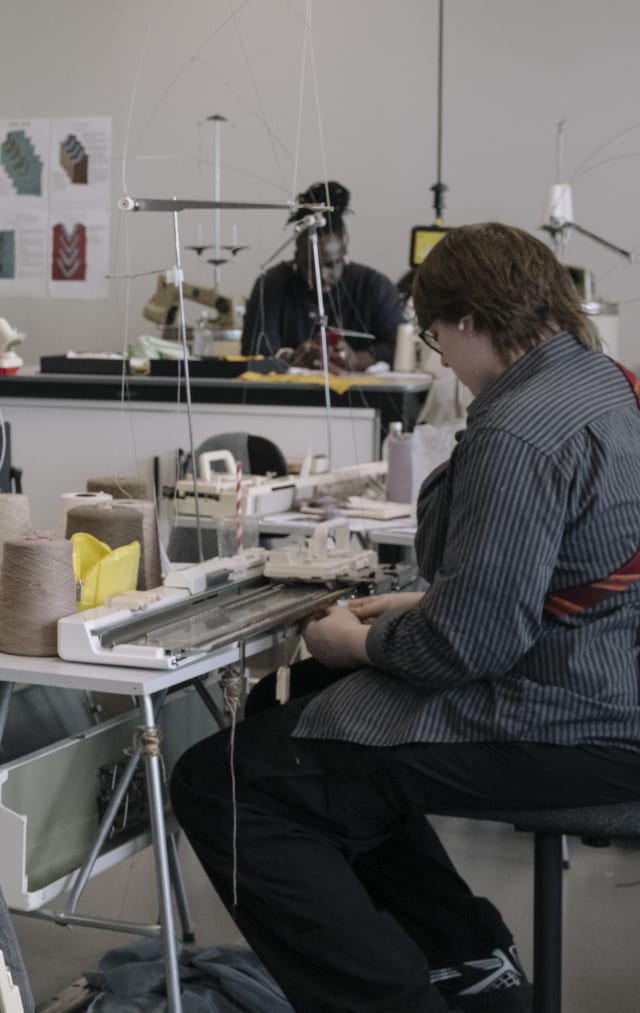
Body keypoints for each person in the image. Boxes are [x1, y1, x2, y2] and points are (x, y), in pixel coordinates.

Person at [171, 223, 640, 1013]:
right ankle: (466, 960)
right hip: (603, 667)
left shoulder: (516, 426)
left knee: (221, 780)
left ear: (466, 320)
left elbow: (471, 643)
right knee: (291, 710)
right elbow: (576, 564)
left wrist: (358, 640)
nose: (439, 357)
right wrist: (427, 601)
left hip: (570, 714)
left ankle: (394, 998)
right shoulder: (607, 382)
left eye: (433, 336)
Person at [240, 181, 402, 370]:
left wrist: (358, 359)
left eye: (331, 265)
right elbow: (254, 355)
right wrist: (291, 359)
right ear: (296, 255)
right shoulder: (270, 286)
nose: (321, 276)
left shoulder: (375, 287)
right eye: (309, 265)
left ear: (344, 249)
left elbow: (399, 348)